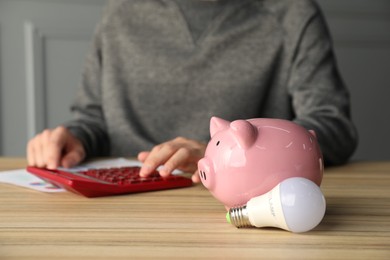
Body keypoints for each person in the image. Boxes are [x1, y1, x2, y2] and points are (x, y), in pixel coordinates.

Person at [26, 0, 358, 183]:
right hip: (123, 200)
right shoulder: (121, 13)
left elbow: (332, 127)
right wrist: (76, 138)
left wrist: (221, 154)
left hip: (237, 206)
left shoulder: (293, 14)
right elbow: (95, 117)